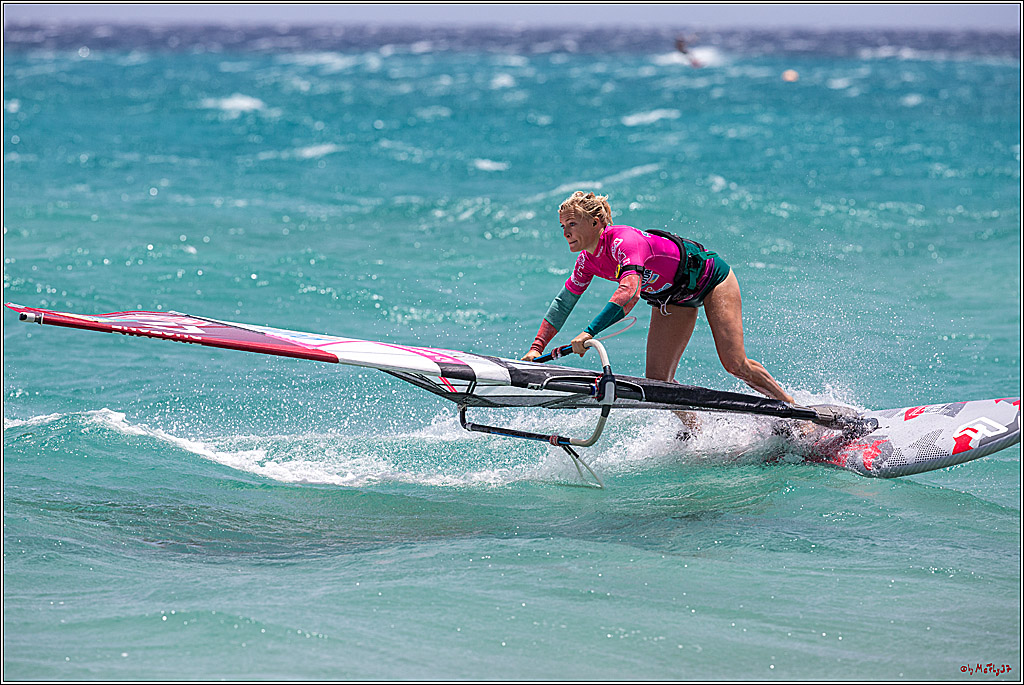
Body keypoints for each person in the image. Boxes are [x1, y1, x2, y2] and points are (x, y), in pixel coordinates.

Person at [522, 191, 794, 430]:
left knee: (734, 363)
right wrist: (537, 347)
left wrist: (588, 333)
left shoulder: (623, 241)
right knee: (657, 381)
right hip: (672, 299)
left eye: (572, 224)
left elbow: (629, 293)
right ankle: (697, 432)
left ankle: (794, 412)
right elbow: (564, 302)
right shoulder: (586, 261)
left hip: (711, 281)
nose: (566, 232)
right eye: (562, 226)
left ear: (594, 223)